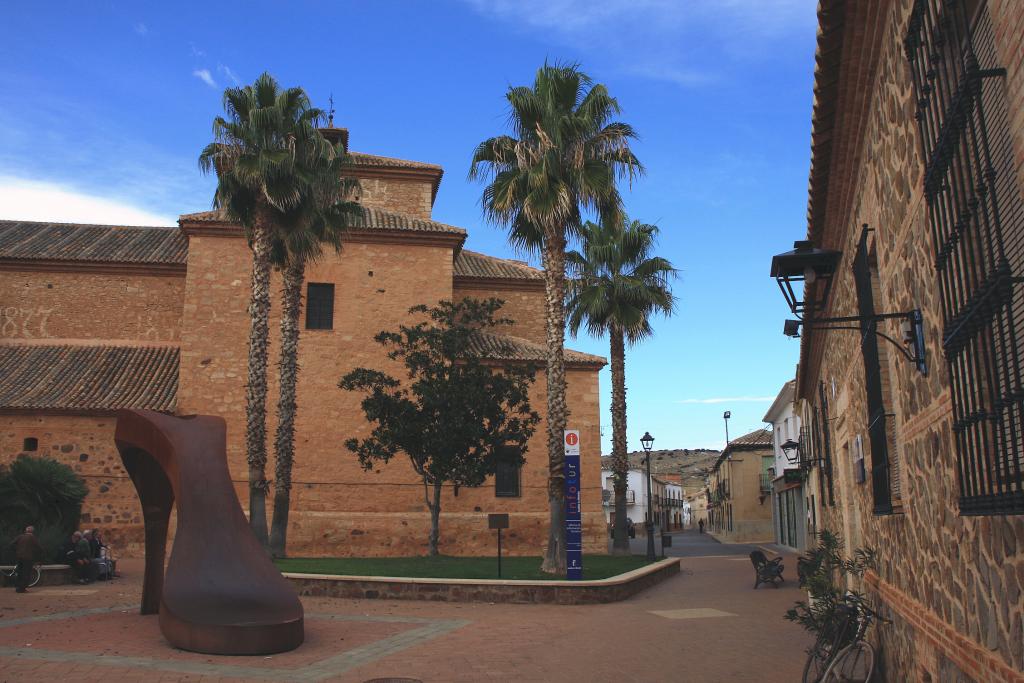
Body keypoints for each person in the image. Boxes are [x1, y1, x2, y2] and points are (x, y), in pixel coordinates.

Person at [10, 526, 43, 593]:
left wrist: (17, 550)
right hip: (28, 558)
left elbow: (11, 544)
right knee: (26, 573)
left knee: (20, 572)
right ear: (32, 532)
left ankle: (18, 587)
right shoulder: (32, 538)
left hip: (19, 557)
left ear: (26, 531)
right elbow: (39, 547)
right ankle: (22, 589)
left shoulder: (20, 536)